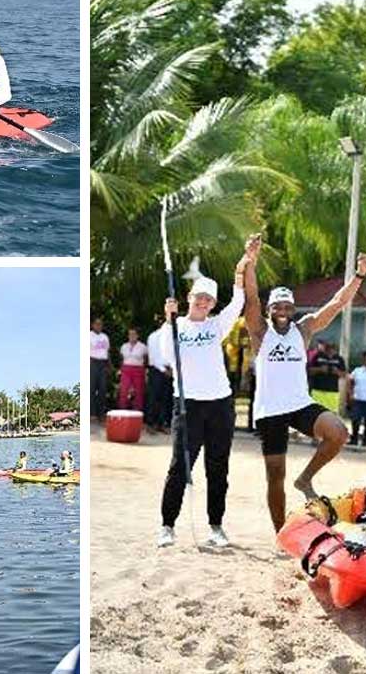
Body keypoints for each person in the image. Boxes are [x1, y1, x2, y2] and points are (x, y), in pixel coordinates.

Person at [244, 253, 365, 534]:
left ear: (293, 308)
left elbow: (338, 303)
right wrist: (251, 260)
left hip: (299, 404)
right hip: (270, 410)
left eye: (287, 306)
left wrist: (359, 275)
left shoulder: (304, 328)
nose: (283, 310)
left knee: (338, 433)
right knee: (275, 476)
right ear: (271, 309)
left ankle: (305, 479)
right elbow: (251, 296)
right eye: (278, 306)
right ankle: (280, 534)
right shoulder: (260, 330)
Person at [156, 234, 260, 549]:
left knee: (218, 467)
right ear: (190, 297)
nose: (203, 302)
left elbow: (239, 298)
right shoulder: (172, 327)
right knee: (179, 466)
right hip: (187, 405)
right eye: (199, 297)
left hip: (219, 405)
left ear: (213, 304)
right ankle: (167, 526)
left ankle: (216, 526)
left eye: (208, 299)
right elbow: (166, 358)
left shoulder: (215, 327)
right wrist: (169, 319)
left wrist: (245, 261)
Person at [145, 314, 173, 434]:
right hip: (156, 370)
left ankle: (163, 423)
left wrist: (172, 369)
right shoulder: (153, 337)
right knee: (154, 398)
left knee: (167, 398)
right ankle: (151, 423)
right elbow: (153, 357)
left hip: (169, 370)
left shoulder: (172, 336)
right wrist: (164, 370)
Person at [118, 327, 148, 412]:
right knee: (124, 390)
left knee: (138, 391)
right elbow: (121, 359)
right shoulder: (124, 346)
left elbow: (146, 359)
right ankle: (122, 411)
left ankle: (137, 412)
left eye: (134, 334)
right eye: (130, 334)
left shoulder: (142, 346)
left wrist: (144, 370)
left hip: (138, 369)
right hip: (126, 369)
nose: (132, 336)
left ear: (137, 335)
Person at [90, 318, 111, 422]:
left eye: (100, 324)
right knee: (92, 389)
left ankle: (101, 413)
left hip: (103, 363)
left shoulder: (105, 337)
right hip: (93, 362)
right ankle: (92, 413)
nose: (98, 326)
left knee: (102, 389)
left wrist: (109, 366)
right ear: (92, 325)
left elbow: (107, 352)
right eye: (97, 324)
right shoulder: (89, 335)